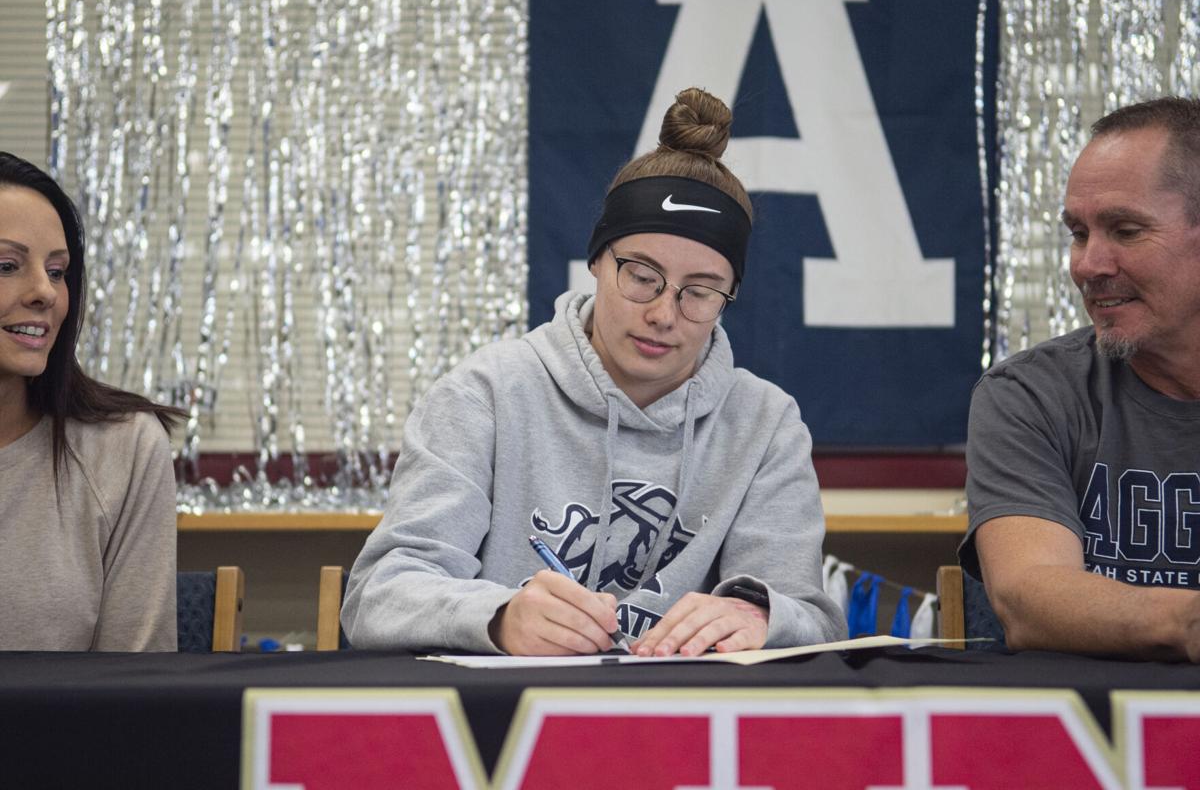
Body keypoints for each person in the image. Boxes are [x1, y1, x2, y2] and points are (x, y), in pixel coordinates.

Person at [343, 88, 846, 656]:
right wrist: (498, 617)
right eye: (640, 275)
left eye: (700, 293)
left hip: (686, 729)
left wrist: (758, 616)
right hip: (507, 723)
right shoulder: (484, 395)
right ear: (597, 262)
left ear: (728, 298)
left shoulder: (765, 423)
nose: (662, 314)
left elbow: (814, 620)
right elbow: (376, 597)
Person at [960, 97, 1200, 661]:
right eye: (1078, 232)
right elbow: (1028, 597)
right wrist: (1188, 622)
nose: (1088, 265)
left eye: (1125, 230)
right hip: (1091, 740)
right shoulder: (1029, 394)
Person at [0, 152, 182, 651]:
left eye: (57, 271)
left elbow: (131, 695)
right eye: (7, 265)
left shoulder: (123, 448)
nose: (45, 292)